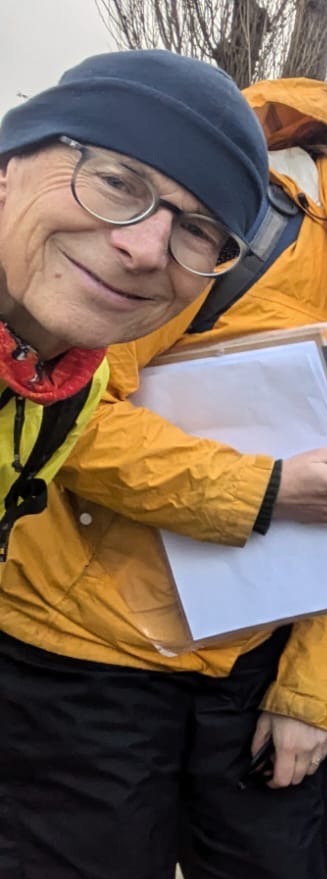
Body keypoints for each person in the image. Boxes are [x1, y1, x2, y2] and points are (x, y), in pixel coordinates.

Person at [0, 21, 327, 879]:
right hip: (80, 662)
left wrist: (313, 693)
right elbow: (69, 406)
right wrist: (265, 492)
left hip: (253, 672)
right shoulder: (228, 220)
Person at [0, 50, 268, 559]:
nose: (145, 250)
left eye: (197, 230)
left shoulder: (77, 381)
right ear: (9, 165)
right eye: (117, 183)